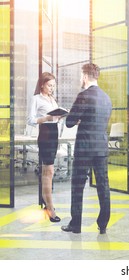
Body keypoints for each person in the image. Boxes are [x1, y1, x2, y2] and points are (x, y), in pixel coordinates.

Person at [61, 63, 112, 234]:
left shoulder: (83, 95)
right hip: (101, 148)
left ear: (84, 76)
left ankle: (76, 224)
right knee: (103, 185)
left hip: (84, 148)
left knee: (77, 186)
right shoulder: (106, 98)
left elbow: (69, 122)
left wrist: (75, 117)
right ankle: (103, 224)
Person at [27, 72, 61, 223]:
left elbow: (54, 118)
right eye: (49, 85)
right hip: (46, 134)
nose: (52, 88)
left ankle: (46, 202)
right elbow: (31, 120)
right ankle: (50, 208)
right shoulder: (36, 98)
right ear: (42, 84)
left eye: (54, 85)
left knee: (49, 172)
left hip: (54, 134)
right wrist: (47, 118)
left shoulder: (52, 99)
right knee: (49, 171)